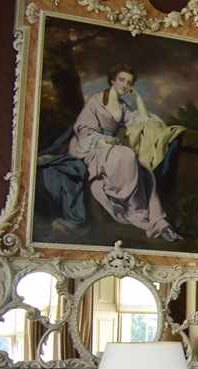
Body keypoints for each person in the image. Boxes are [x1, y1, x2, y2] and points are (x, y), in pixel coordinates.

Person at [66, 66, 183, 241]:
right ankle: (134, 211)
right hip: (91, 144)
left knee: (142, 169)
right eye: (121, 80)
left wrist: (138, 97)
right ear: (112, 81)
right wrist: (102, 140)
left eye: (129, 82)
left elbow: (142, 121)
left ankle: (157, 221)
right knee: (126, 155)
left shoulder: (123, 107)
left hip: (112, 146)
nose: (125, 84)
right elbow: (83, 128)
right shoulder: (96, 100)